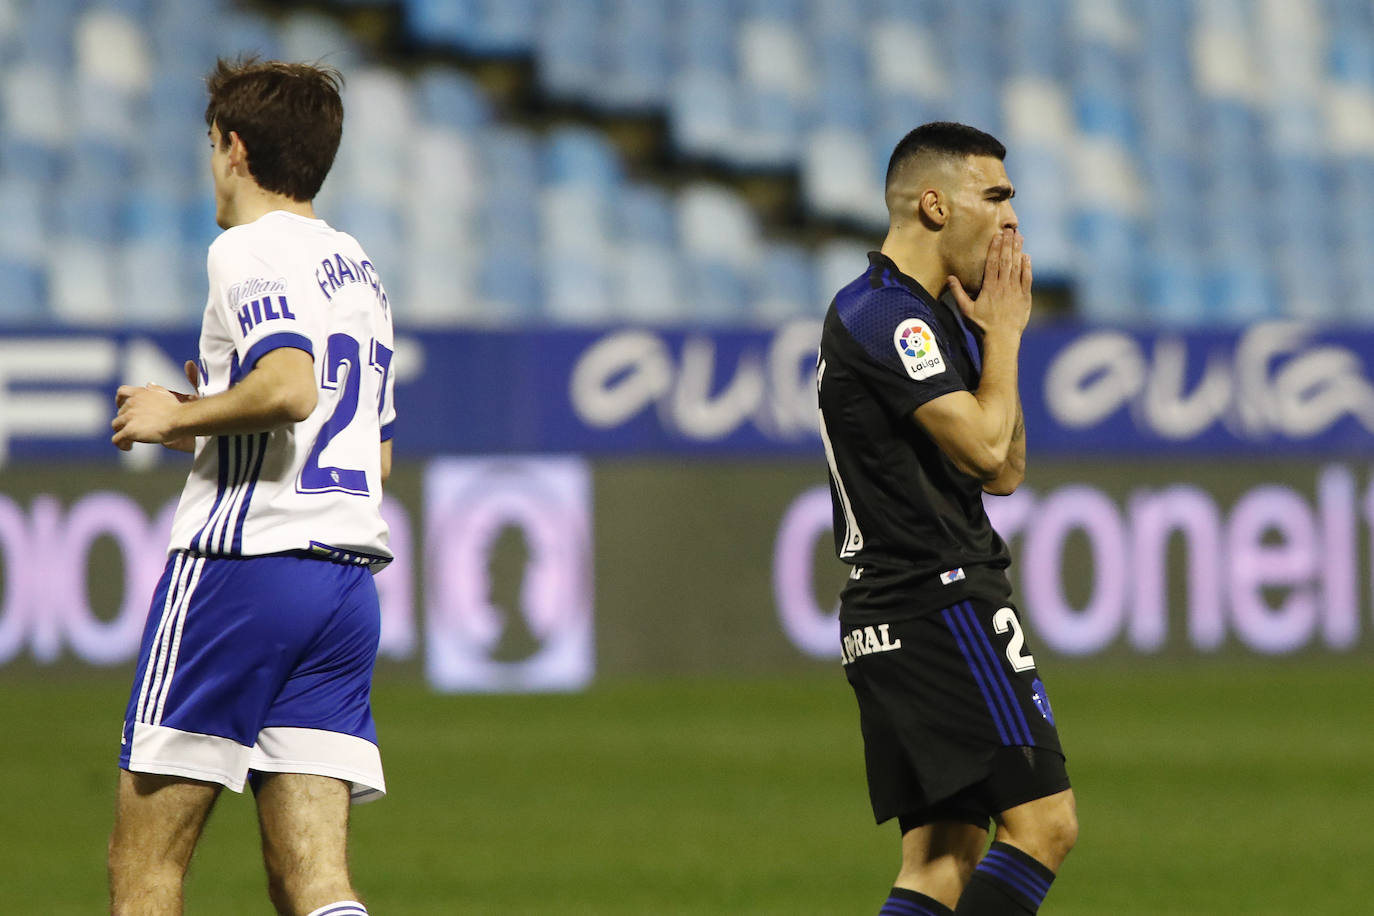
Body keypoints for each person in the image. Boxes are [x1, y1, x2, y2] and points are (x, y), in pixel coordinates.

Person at [108, 57, 396, 916]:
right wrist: (216, 406)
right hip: (343, 583)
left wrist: (177, 417)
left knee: (147, 871)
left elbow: (290, 386)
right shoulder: (359, 270)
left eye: (209, 145)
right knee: (315, 883)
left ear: (234, 148)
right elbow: (375, 458)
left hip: (241, 571)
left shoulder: (247, 248)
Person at [816, 121, 1077, 916]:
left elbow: (1005, 469)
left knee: (943, 856)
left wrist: (993, 338)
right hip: (940, 600)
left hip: (893, 611)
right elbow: (983, 448)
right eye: (995, 196)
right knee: (1044, 826)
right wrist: (1004, 337)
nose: (1011, 220)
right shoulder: (887, 316)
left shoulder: (924, 317)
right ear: (934, 204)